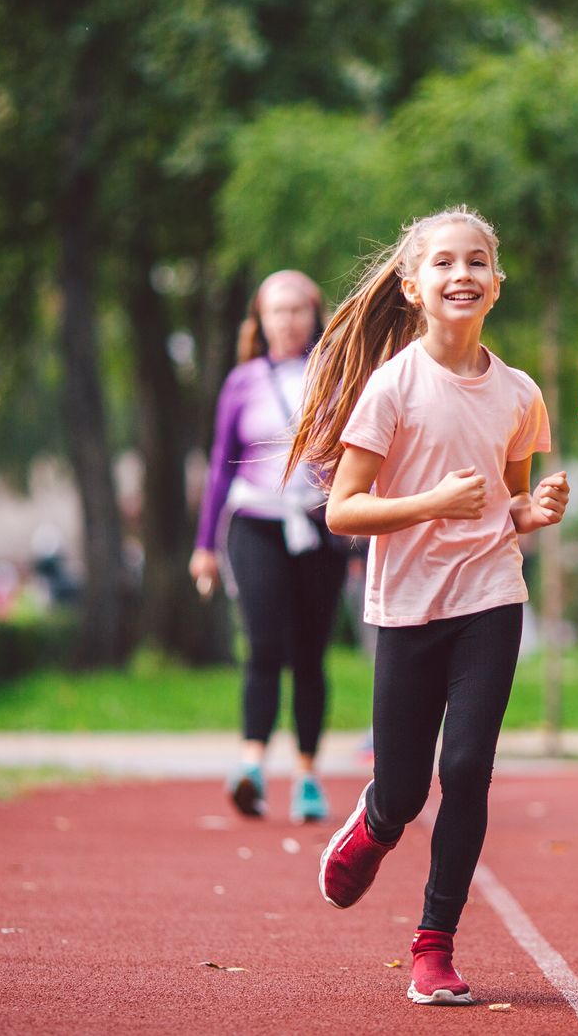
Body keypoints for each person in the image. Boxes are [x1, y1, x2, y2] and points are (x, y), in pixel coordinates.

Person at [298, 207, 567, 1007]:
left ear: (497, 284)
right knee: (406, 789)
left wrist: (532, 511)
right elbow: (343, 510)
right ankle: (376, 822)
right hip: (408, 605)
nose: (462, 274)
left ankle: (433, 944)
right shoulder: (392, 386)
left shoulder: (520, 393)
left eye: (477, 261)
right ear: (414, 287)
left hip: (491, 597)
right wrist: (432, 503)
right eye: (444, 262)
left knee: (468, 769)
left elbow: (506, 504)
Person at [191, 270, 350, 824]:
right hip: (255, 524)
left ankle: (307, 776)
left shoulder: (338, 375)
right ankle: (252, 767)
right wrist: (204, 545)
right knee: (262, 644)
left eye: (297, 309)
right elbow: (220, 465)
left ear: (315, 315)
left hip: (319, 526)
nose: (287, 321)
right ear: (260, 320)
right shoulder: (242, 381)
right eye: (276, 311)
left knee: (310, 653)